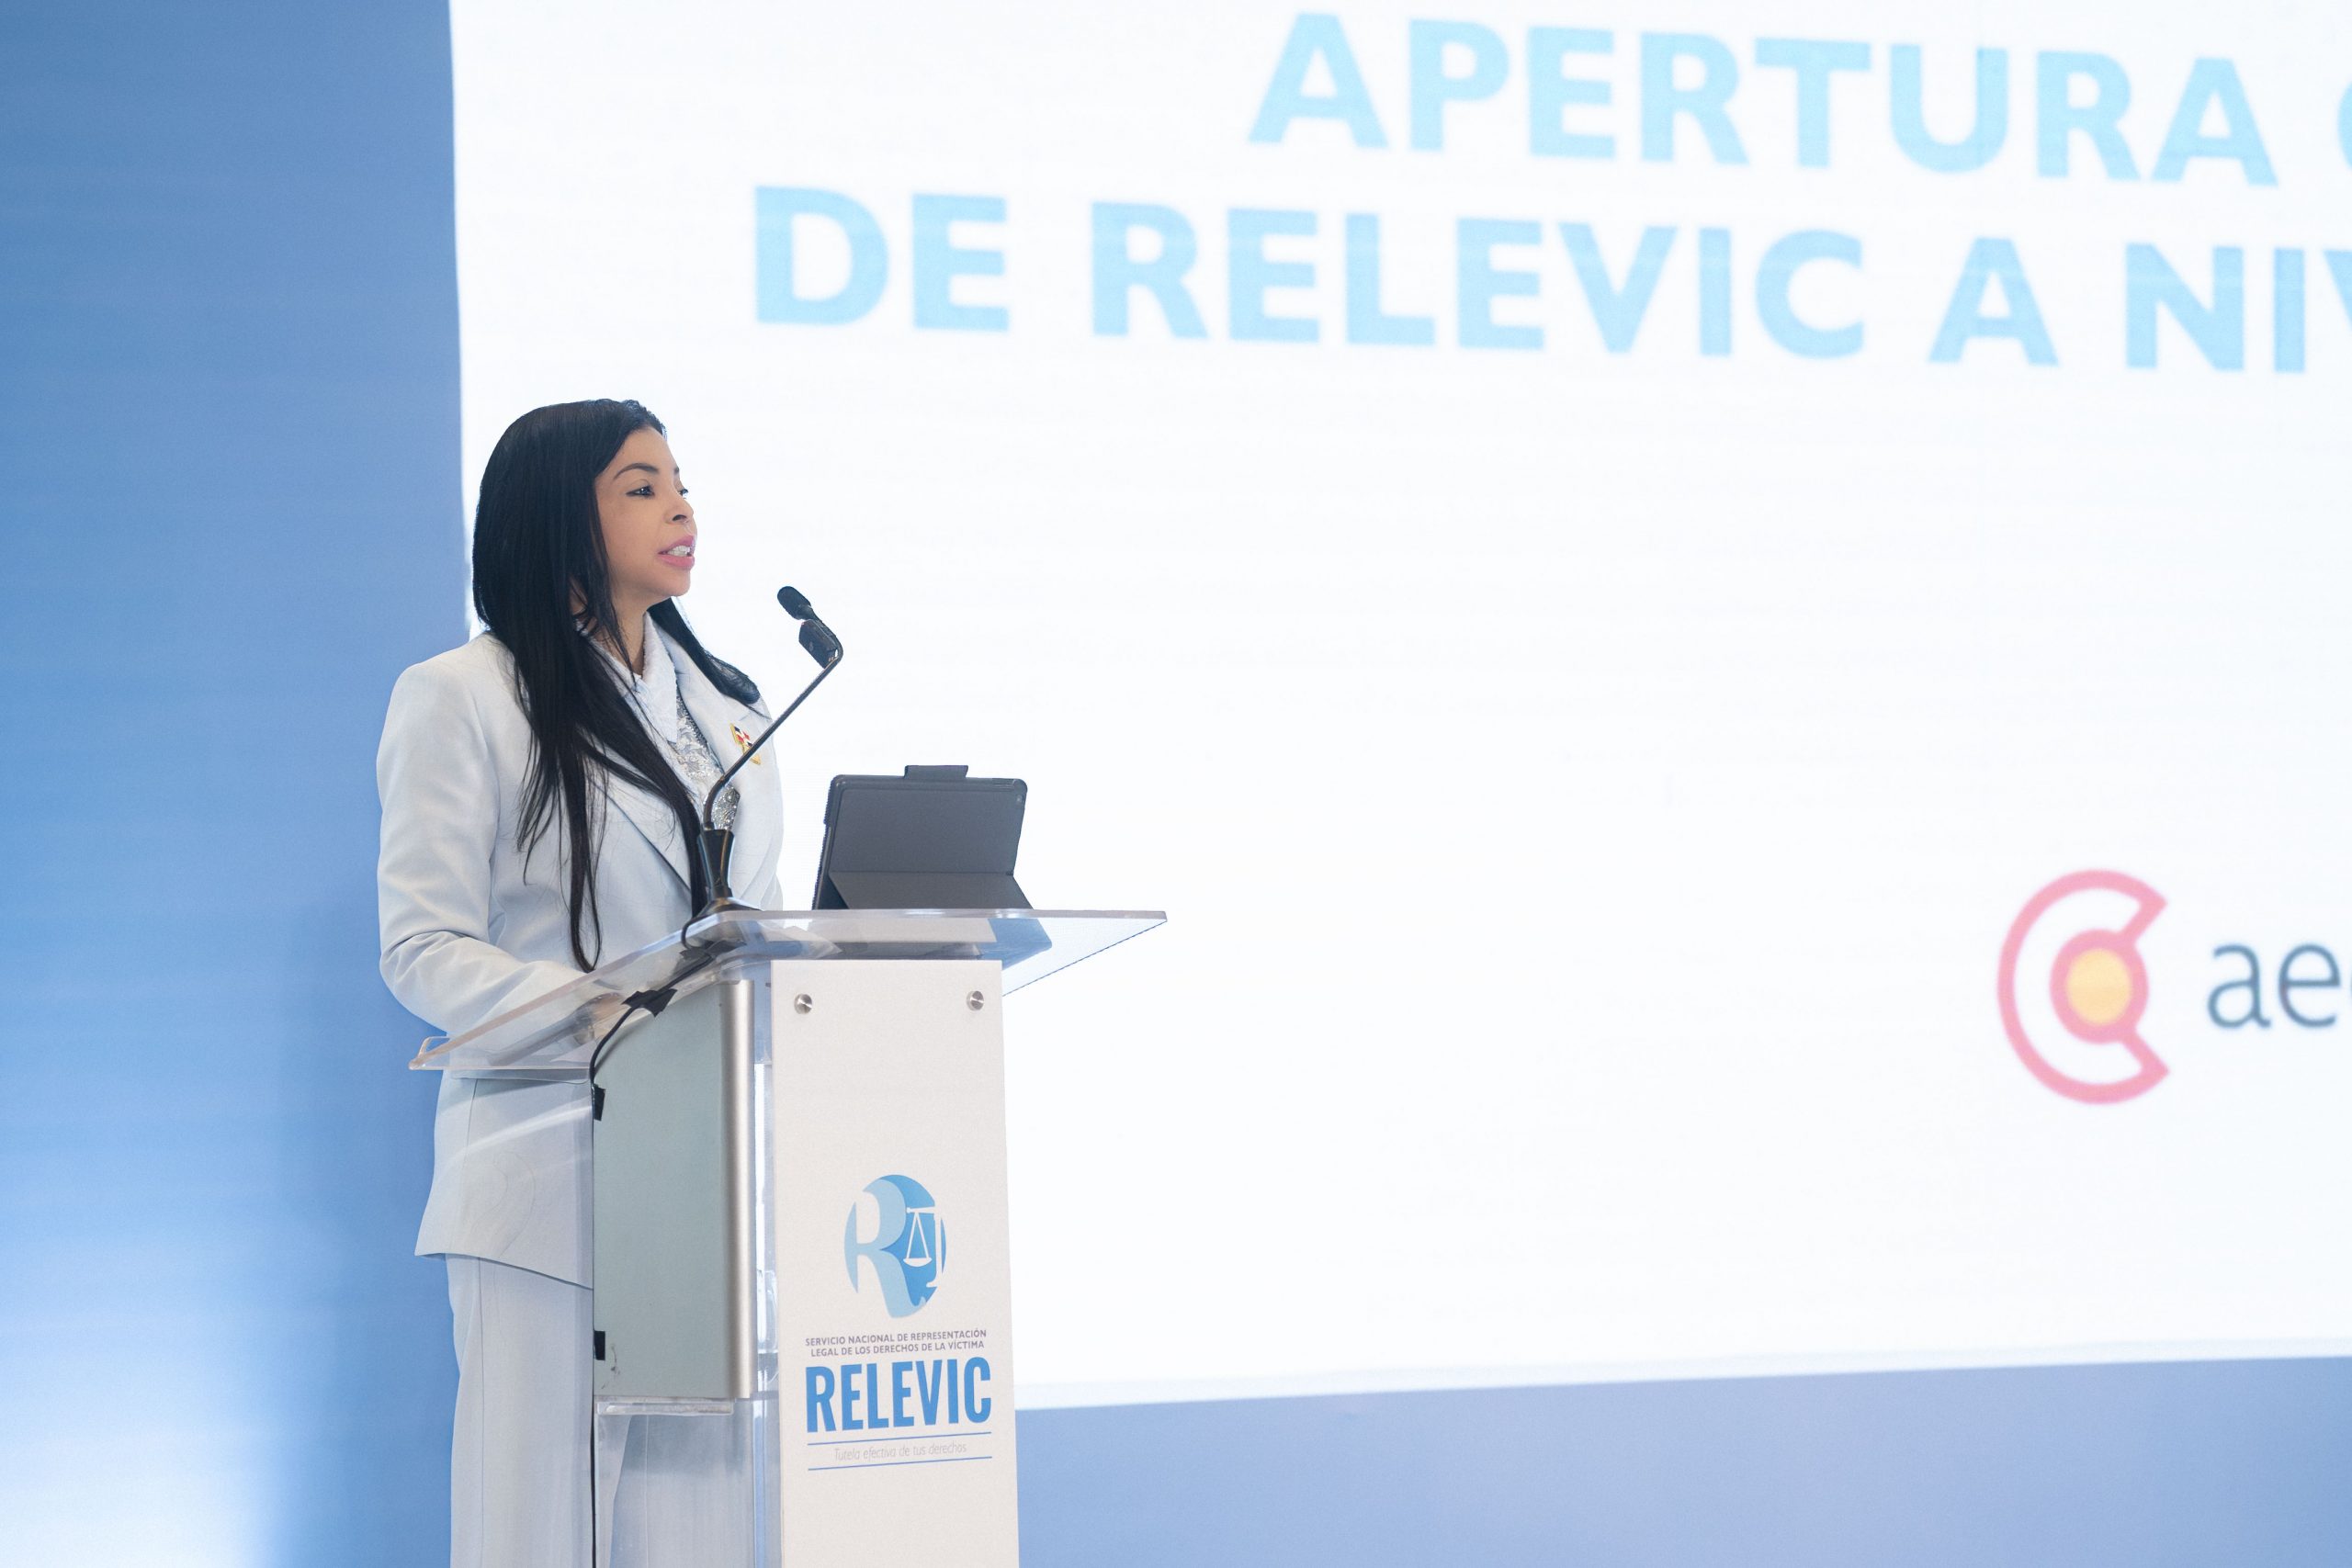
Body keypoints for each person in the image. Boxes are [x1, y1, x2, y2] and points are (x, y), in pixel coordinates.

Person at [376, 399, 782, 1567]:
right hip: (543, 1172)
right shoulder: (462, 696)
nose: (681, 508)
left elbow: (747, 927)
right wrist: (607, 1015)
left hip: (701, 1180)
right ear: (558, 515)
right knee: (538, 1529)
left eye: (680, 483)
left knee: (694, 1530)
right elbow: (421, 945)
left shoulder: (735, 713)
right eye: (641, 486)